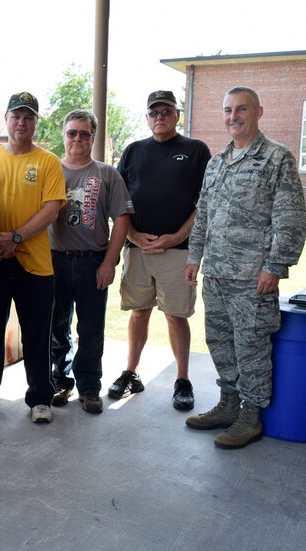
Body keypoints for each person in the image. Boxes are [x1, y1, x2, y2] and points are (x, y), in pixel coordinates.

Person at [184, 86, 306, 449]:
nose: (232, 116)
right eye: (227, 110)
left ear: (258, 112)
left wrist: (275, 265)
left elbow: (290, 218)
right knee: (220, 342)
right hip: (217, 274)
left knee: (251, 348)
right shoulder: (217, 162)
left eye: (241, 109)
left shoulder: (276, 158)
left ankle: (250, 417)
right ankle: (228, 404)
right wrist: (194, 257)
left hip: (253, 278)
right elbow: (203, 212)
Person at [110, 90, 211, 410]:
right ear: (147, 117)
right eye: (154, 112)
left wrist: (176, 236)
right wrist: (135, 236)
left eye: (166, 111)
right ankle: (131, 372)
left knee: (176, 315)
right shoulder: (134, 150)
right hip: (138, 250)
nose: (160, 117)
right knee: (139, 312)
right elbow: (119, 200)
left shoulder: (195, 150)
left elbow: (205, 202)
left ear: (177, 114)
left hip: (177, 251)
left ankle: (182, 380)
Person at [0, 92, 66, 423]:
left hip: (36, 263)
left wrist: (15, 237)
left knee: (37, 332)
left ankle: (39, 398)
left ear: (35, 123)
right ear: (6, 119)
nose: (22, 122)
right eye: (16, 116)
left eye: (28, 117)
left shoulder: (47, 162)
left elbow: (52, 208)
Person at [49, 109, 134, 414]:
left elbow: (122, 220)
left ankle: (88, 387)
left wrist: (109, 263)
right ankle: (59, 381)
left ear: (93, 137)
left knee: (91, 329)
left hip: (92, 261)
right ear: (64, 135)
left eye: (84, 133)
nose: (78, 139)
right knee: (56, 327)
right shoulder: (50, 169)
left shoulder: (107, 174)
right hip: (53, 261)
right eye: (72, 132)